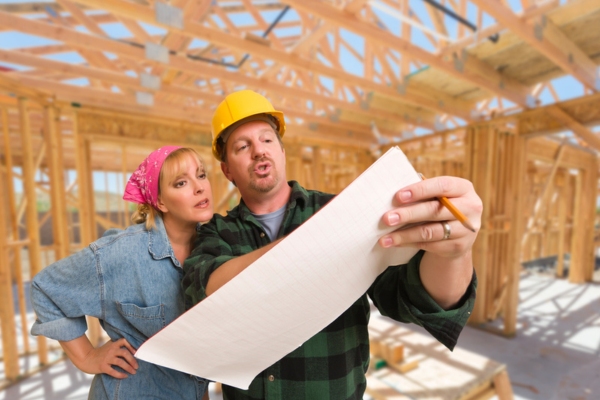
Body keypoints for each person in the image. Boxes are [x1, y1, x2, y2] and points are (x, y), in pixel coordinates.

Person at [182, 90, 482, 399]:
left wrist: (456, 253)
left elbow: (409, 297)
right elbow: (203, 292)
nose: (259, 151)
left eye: (267, 140)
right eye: (243, 147)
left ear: (282, 152)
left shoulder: (341, 212)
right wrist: (316, 241)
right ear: (227, 170)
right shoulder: (216, 233)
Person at [31, 146, 213, 399]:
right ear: (160, 201)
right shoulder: (123, 252)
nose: (199, 187)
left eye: (201, 175)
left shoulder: (214, 250)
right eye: (181, 182)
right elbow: (45, 288)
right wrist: (86, 356)